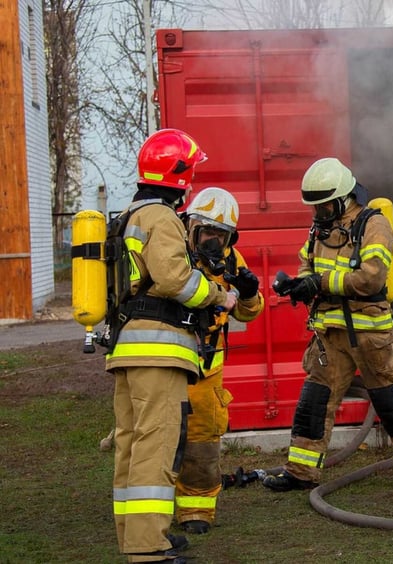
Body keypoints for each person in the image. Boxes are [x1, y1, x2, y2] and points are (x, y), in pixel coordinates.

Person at [262, 157, 393, 491]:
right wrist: (298, 283)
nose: (320, 213)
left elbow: (370, 279)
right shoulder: (319, 228)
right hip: (329, 334)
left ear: (344, 197)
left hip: (371, 334)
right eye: (316, 207)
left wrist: (320, 283)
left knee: (391, 400)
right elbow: (307, 262)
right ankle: (301, 472)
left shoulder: (374, 224)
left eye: (325, 206)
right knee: (315, 401)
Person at [105, 129, 236, 564]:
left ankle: (136, 535)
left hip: (127, 348)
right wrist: (221, 297)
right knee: (156, 446)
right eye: (191, 170)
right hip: (158, 350)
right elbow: (175, 280)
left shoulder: (129, 214)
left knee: (131, 445)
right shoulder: (160, 217)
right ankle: (148, 549)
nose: (193, 178)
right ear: (177, 174)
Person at [175, 187, 265, 535]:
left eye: (221, 234)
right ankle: (149, 511)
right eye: (207, 231)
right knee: (160, 436)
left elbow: (248, 313)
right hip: (170, 359)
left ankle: (196, 509)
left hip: (207, 368)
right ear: (191, 225)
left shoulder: (232, 259)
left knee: (202, 441)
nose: (213, 240)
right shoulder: (174, 252)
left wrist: (249, 293)